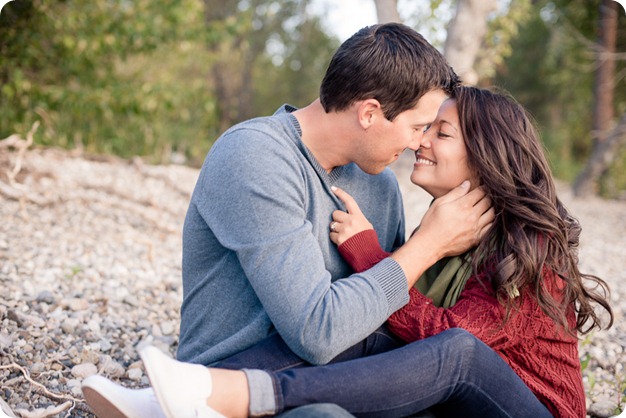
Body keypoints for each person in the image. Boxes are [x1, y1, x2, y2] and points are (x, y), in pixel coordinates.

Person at [107, 86, 613, 418]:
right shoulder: (458, 233)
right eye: (423, 128)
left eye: (441, 132)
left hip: (533, 409)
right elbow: (391, 326)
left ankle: (245, 397)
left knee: (458, 352)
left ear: (488, 154)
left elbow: (450, 339)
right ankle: (174, 397)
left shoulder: (533, 249)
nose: (421, 142)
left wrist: (374, 255)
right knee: (358, 324)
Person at [82, 23, 494, 418]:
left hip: (341, 381)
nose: (418, 143)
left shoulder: (381, 186)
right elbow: (318, 332)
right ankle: (168, 404)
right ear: (369, 113)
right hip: (227, 386)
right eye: (418, 126)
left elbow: (379, 317)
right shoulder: (255, 156)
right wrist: (428, 245)